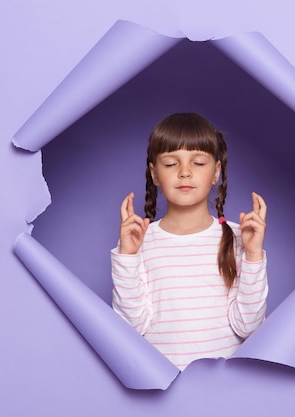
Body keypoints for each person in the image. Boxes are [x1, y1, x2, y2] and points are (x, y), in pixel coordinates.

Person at [111, 112, 268, 371]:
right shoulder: (140, 241)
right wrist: (127, 256)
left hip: (225, 392)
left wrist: (253, 255)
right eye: (171, 164)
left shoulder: (241, 238)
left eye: (198, 162)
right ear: (155, 173)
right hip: (160, 392)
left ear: (216, 171)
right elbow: (131, 329)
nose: (184, 172)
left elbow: (248, 326)